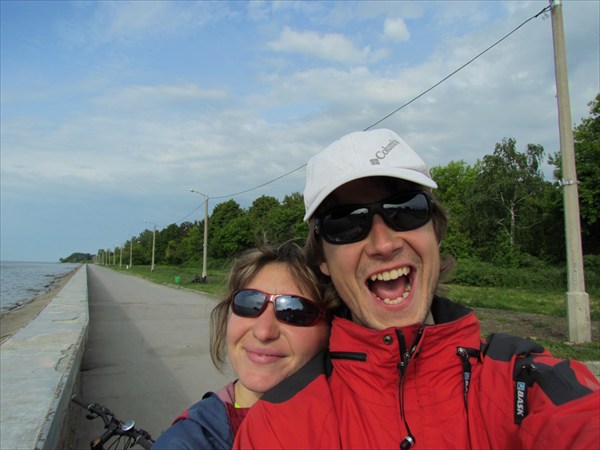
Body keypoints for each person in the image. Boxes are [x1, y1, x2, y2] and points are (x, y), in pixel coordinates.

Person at [234, 128, 600, 449]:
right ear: (323, 260)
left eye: (406, 210)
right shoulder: (279, 425)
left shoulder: (523, 381)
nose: (383, 244)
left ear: (435, 231)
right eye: (345, 224)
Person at [152, 241, 334, 449]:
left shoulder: (351, 420)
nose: (263, 332)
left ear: (331, 328)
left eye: (294, 311)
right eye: (249, 303)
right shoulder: (191, 440)